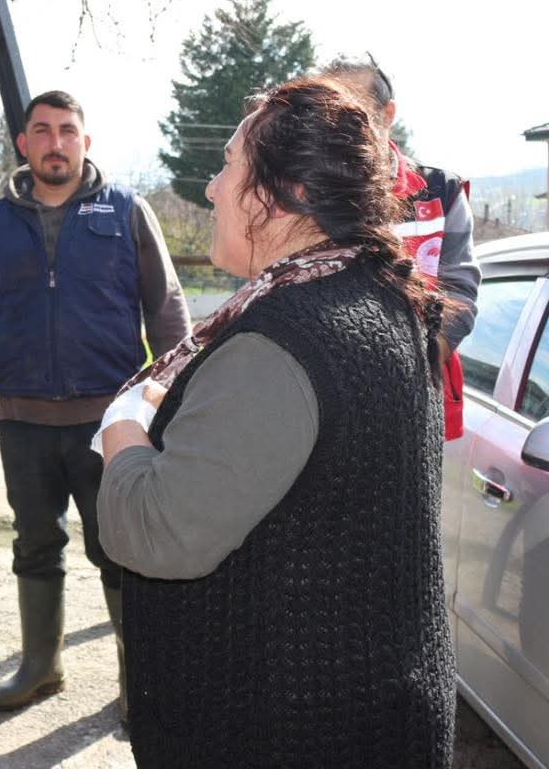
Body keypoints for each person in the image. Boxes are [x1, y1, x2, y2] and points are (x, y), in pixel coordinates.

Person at [96, 78, 455, 767]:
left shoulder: (281, 342)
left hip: (286, 734)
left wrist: (122, 430)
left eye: (228, 165)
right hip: (364, 716)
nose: (210, 189)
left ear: (278, 190)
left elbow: (155, 531)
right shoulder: (372, 293)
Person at [0, 90, 189, 724]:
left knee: (122, 549)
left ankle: (141, 680)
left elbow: (166, 308)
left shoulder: (127, 212)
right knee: (34, 543)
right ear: (24, 145)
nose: (56, 143)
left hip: (109, 423)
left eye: (68, 131)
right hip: (23, 419)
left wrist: (177, 394)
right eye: (42, 131)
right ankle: (41, 666)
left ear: (86, 141)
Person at [321, 55, 479, 439]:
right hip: (322, 399)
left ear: (387, 113)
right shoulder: (307, 191)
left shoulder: (440, 192)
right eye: (328, 112)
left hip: (414, 405)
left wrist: (403, 369)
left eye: (355, 109)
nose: (342, 126)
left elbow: (460, 295)